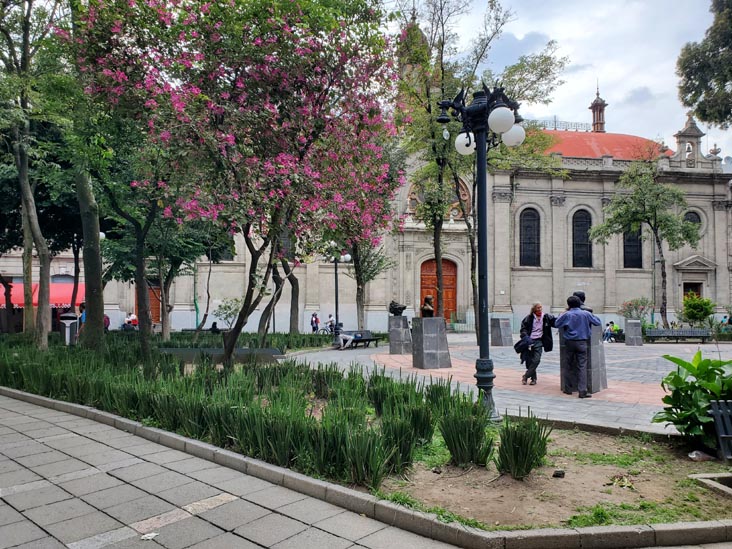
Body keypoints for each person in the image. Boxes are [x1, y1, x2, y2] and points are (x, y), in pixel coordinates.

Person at [555, 295, 602, 398]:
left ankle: (568, 389)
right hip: (582, 342)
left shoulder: (566, 314)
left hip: (569, 342)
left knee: (568, 365)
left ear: (568, 304)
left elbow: (557, 323)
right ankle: (582, 391)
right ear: (580, 303)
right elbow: (597, 322)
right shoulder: (586, 314)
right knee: (582, 367)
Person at [518, 302, 556, 386]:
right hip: (529, 341)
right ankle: (533, 379)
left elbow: (555, 322)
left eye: (540, 308)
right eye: (538, 308)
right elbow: (523, 329)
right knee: (529, 361)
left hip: (539, 341)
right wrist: (526, 337)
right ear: (534, 309)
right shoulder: (529, 318)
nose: (539, 309)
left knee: (536, 360)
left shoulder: (546, 317)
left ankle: (526, 376)